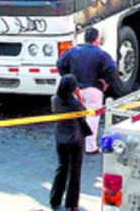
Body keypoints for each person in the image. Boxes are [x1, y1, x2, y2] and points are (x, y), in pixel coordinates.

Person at [57, 27, 119, 153]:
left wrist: (68, 78)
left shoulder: (73, 51)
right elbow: (112, 69)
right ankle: (90, 147)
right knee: (92, 117)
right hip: (93, 88)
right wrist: (106, 82)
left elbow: (60, 63)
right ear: (96, 40)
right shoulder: (101, 54)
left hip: (76, 90)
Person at [49, 74, 90, 211]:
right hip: (75, 139)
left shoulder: (55, 100)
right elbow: (84, 111)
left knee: (62, 168)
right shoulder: (74, 103)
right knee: (75, 171)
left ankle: (55, 199)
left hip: (60, 138)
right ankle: (72, 204)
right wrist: (78, 95)